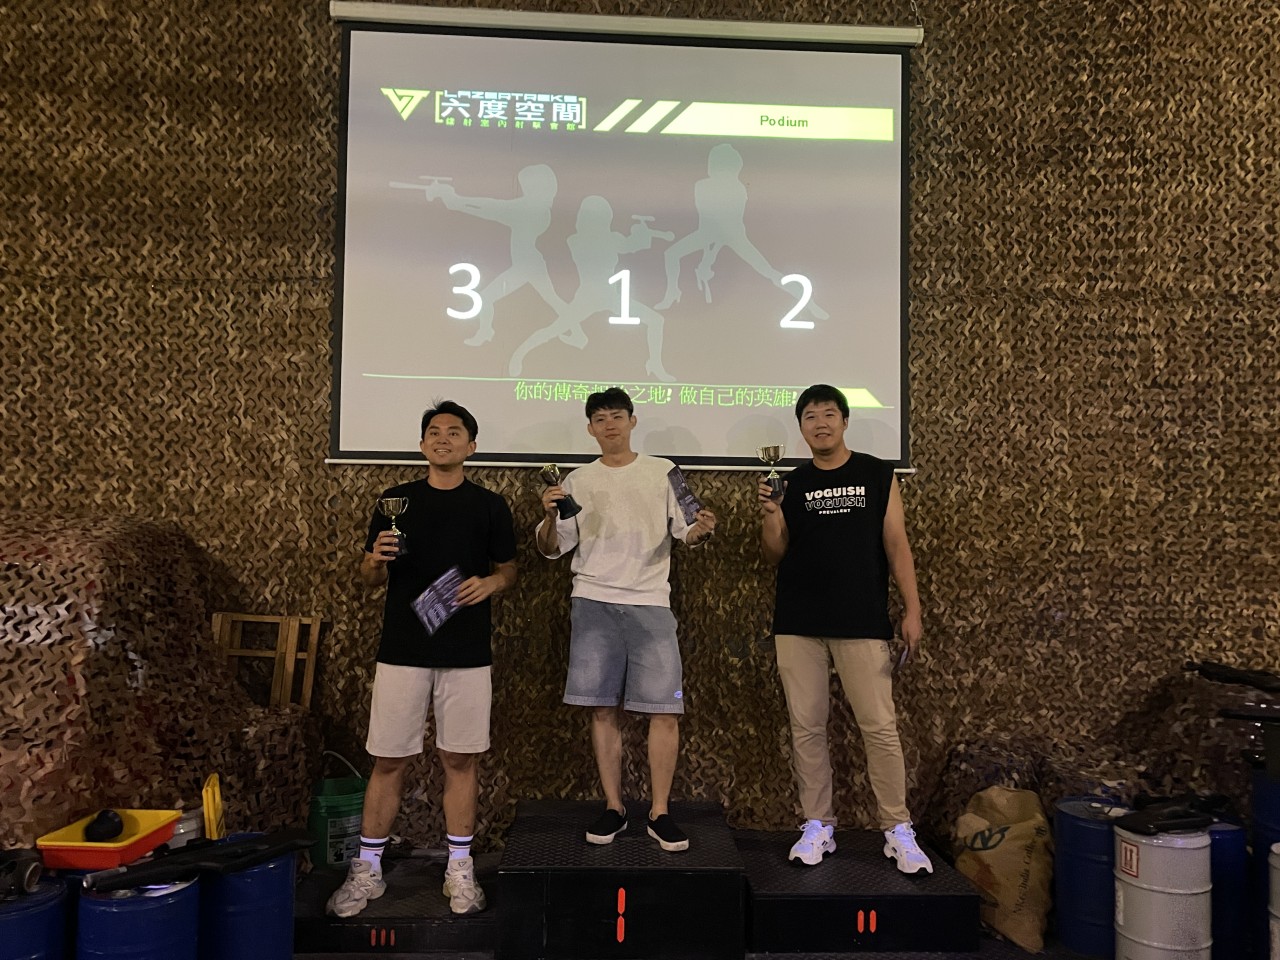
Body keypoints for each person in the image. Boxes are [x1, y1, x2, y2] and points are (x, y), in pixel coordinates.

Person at [327, 401, 518, 918]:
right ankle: (367, 869)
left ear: (471, 446)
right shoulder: (396, 502)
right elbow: (369, 577)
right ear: (421, 445)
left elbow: (509, 569)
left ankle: (460, 868)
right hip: (403, 650)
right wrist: (373, 561)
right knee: (389, 759)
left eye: (454, 432)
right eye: (434, 431)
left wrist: (492, 583)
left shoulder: (490, 506)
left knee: (460, 759)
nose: (443, 438)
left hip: (466, 652)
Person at [757, 384, 932, 874]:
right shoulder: (791, 483)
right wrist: (771, 515)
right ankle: (818, 824)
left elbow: (896, 544)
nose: (820, 423)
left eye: (829, 414)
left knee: (880, 728)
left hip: (862, 619)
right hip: (798, 622)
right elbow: (774, 553)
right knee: (806, 727)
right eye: (810, 416)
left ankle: (897, 828)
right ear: (801, 428)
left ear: (845, 421)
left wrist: (912, 609)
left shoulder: (876, 473)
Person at [536, 387, 716, 852]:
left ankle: (660, 812)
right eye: (600, 418)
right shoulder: (576, 480)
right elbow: (554, 547)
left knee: (666, 711)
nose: (610, 424)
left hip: (651, 602)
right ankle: (614, 807)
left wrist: (701, 529)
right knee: (601, 708)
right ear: (590, 428)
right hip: (592, 600)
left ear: (633, 421)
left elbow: (689, 530)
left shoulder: (664, 471)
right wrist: (547, 517)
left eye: (617, 416)